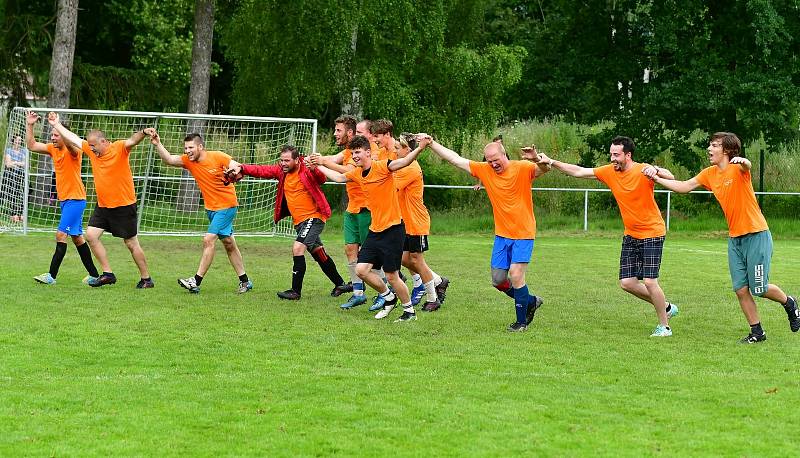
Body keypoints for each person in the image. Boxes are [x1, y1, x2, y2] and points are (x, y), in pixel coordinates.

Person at [651, 132, 799, 343]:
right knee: (740, 289)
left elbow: (747, 166)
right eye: (710, 145)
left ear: (727, 150)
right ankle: (757, 332)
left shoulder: (738, 168)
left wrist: (744, 161)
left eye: (714, 145)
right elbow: (684, 187)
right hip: (735, 239)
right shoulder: (709, 173)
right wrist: (657, 179)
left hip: (756, 235)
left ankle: (790, 303)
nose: (709, 149)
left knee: (760, 288)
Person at [537, 136, 679, 337]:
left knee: (649, 281)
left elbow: (670, 177)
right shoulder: (609, 172)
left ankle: (664, 327)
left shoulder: (642, 169)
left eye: (616, 154)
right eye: (611, 154)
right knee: (627, 283)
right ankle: (666, 307)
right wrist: (551, 162)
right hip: (631, 233)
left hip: (652, 232)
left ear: (628, 155)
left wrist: (656, 169)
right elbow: (578, 171)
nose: (612, 158)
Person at [425, 135, 548, 332]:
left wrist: (536, 159)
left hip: (523, 233)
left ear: (504, 154)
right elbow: (455, 159)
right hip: (502, 235)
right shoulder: (484, 170)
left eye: (495, 160)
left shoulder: (522, 167)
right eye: (489, 161)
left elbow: (544, 169)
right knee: (498, 280)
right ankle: (531, 301)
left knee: (516, 276)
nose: (492, 164)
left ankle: (521, 322)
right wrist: (431, 144)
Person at [312, 135, 427, 322]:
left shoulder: (383, 166)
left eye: (358, 152)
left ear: (368, 152)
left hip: (393, 229)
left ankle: (409, 311)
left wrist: (420, 148)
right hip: (376, 230)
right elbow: (340, 177)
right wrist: (318, 165)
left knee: (392, 276)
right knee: (361, 269)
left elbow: (405, 161)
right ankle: (389, 298)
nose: (355, 156)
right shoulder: (357, 174)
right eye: (352, 153)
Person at [226, 145, 347, 300]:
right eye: (281, 160)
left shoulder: (306, 168)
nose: (283, 163)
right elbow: (262, 171)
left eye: (287, 161)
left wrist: (315, 167)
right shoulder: (281, 172)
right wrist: (242, 168)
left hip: (314, 218)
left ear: (297, 160)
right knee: (318, 253)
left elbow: (321, 179)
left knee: (298, 248)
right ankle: (340, 284)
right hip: (300, 222)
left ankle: (295, 292)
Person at [51, 113, 154, 288]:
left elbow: (132, 140)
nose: (92, 149)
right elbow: (73, 138)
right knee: (91, 236)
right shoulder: (91, 151)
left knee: (130, 243)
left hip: (124, 205)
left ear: (104, 142)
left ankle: (146, 279)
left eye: (94, 146)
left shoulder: (119, 148)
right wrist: (57, 124)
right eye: (89, 146)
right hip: (103, 206)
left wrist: (144, 132)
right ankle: (108, 274)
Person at [150, 132, 252, 294]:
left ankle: (195, 281)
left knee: (208, 239)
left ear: (200, 147)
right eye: (185, 148)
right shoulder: (188, 161)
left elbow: (237, 166)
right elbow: (169, 159)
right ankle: (245, 281)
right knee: (229, 244)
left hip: (227, 206)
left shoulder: (217, 156)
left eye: (190, 147)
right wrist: (158, 144)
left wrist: (232, 171)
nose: (187, 151)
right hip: (211, 209)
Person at [313, 116, 387, 310]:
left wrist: (322, 162)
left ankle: (385, 292)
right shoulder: (348, 151)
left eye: (338, 130)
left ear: (351, 132)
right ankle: (358, 293)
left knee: (374, 256)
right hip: (352, 209)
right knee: (350, 249)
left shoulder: (367, 154)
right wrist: (316, 161)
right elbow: (334, 165)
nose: (335, 134)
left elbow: (346, 172)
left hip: (367, 210)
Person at [24, 111, 100, 285]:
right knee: (77, 238)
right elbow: (32, 145)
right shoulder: (52, 149)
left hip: (75, 199)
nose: (52, 137)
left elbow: (72, 146)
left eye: (56, 135)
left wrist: (58, 126)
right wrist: (30, 125)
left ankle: (51, 276)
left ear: (64, 136)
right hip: (66, 201)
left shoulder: (74, 151)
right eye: (52, 135)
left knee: (60, 235)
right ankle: (95, 275)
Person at [392, 134, 449, 312]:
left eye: (397, 148)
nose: (394, 151)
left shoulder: (410, 168)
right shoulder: (401, 166)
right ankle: (438, 280)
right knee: (403, 259)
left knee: (417, 260)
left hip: (416, 221)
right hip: (404, 222)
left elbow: (391, 186)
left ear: (407, 150)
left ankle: (433, 298)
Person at [3, 135, 27, 222]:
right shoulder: (9, 150)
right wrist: (18, 163)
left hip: (21, 174)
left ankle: (21, 213)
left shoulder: (23, 151)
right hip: (10, 174)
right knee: (13, 194)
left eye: (20, 140)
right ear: (13, 141)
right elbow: (8, 164)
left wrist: (14, 162)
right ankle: (13, 215)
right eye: (17, 140)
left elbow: (25, 164)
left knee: (27, 191)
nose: (19, 142)